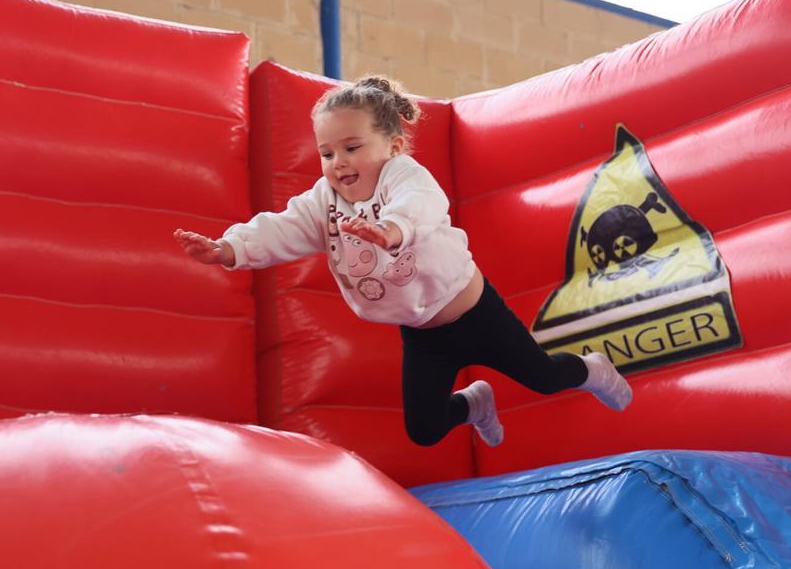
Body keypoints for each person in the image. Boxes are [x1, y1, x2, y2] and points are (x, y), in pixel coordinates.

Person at [173, 75, 632, 448]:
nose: (338, 162)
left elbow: (421, 204)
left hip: (474, 313)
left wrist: (392, 229)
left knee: (545, 378)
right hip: (423, 333)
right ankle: (473, 404)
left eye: (352, 148)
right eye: (327, 153)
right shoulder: (325, 200)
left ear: (392, 146)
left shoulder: (403, 175)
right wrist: (229, 249)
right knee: (424, 430)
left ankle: (591, 369)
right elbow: (283, 227)